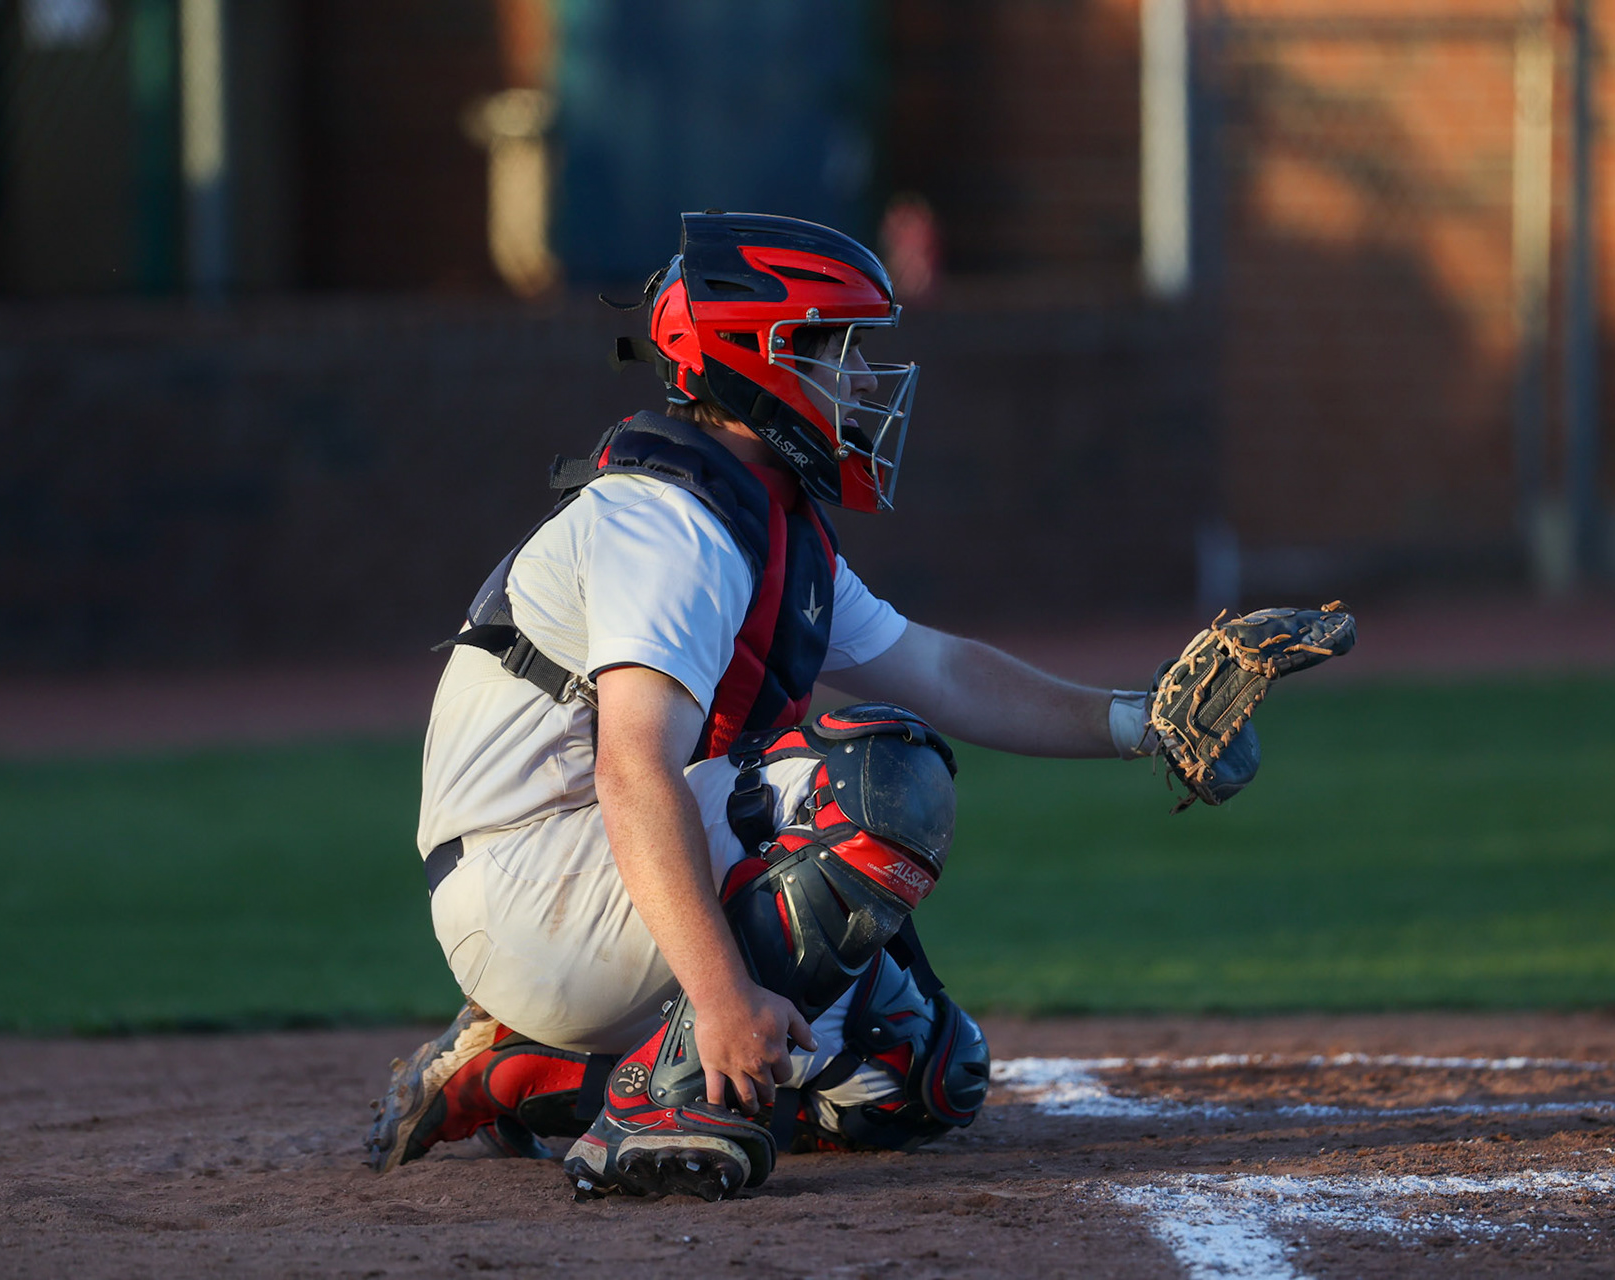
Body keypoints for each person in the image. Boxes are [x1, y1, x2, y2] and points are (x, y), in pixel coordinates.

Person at [366, 212, 1159, 1201]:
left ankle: (526, 1068)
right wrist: (718, 990)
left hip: (594, 884)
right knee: (885, 783)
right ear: (755, 356)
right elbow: (631, 768)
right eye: (835, 347)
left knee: (911, 1073)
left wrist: (1144, 722)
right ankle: (657, 1098)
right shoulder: (668, 525)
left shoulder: (760, 515)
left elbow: (943, 671)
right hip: (536, 881)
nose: (863, 377)